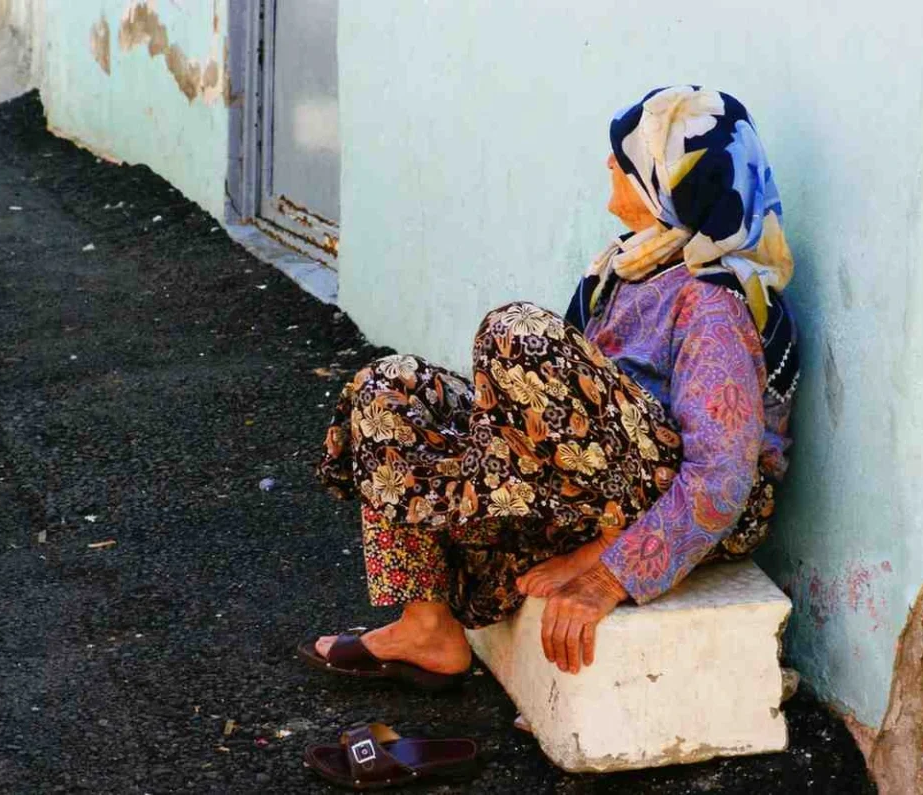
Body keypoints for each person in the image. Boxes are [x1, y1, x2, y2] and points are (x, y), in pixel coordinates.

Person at [309, 86, 798, 680]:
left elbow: (721, 478)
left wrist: (609, 573)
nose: (610, 165)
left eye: (625, 156)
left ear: (669, 180)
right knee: (388, 391)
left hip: (680, 504)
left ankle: (597, 538)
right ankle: (427, 625)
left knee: (516, 334)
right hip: (594, 483)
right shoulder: (622, 269)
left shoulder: (713, 301)